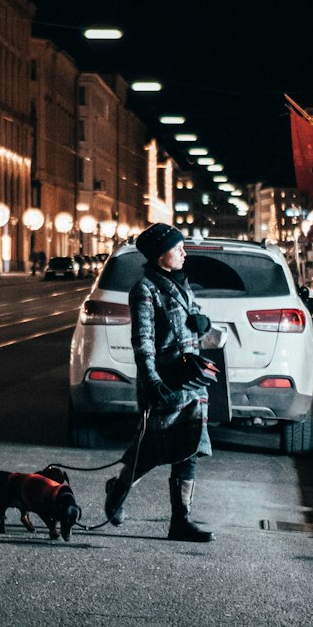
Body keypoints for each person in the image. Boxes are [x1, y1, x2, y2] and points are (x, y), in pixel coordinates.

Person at [104, 223, 215, 543]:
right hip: (164, 382)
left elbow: (193, 317)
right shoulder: (145, 289)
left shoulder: (182, 283)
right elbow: (143, 340)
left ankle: (181, 520)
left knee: (189, 449)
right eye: (177, 247)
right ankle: (119, 489)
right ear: (159, 255)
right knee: (152, 451)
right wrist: (151, 379)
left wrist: (202, 322)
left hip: (191, 379)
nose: (183, 252)